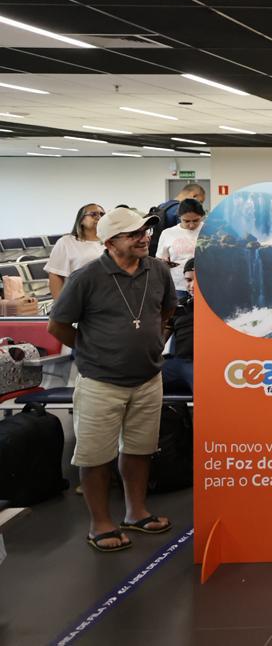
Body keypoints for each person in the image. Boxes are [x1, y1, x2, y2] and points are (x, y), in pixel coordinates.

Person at [47, 207, 176, 553]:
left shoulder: (158, 270)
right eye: (133, 234)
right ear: (110, 242)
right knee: (96, 456)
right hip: (101, 382)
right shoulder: (86, 278)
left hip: (148, 378)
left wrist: (154, 340)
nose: (143, 238)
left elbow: (166, 310)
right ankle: (100, 524)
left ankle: (136, 512)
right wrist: (92, 349)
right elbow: (57, 325)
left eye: (145, 231)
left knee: (140, 450)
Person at [47, 203, 105, 299]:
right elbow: (55, 275)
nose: (99, 217)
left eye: (102, 214)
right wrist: (59, 304)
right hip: (81, 296)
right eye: (93, 214)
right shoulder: (66, 242)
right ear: (81, 220)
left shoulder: (110, 241)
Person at [155, 198, 204, 301]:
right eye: (186, 221)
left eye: (196, 220)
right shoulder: (168, 233)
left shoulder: (208, 230)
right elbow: (159, 260)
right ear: (179, 217)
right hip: (178, 286)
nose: (191, 225)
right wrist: (164, 262)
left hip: (203, 285)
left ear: (202, 216)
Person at [160, 258, 196, 396]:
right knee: (136, 379)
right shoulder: (179, 306)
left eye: (199, 281)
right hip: (177, 362)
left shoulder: (221, 309)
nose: (192, 286)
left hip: (204, 365)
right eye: (188, 280)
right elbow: (160, 341)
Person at [148, 183, 206, 257]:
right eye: (200, 202)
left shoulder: (162, 206)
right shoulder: (179, 210)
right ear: (194, 196)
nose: (191, 225)